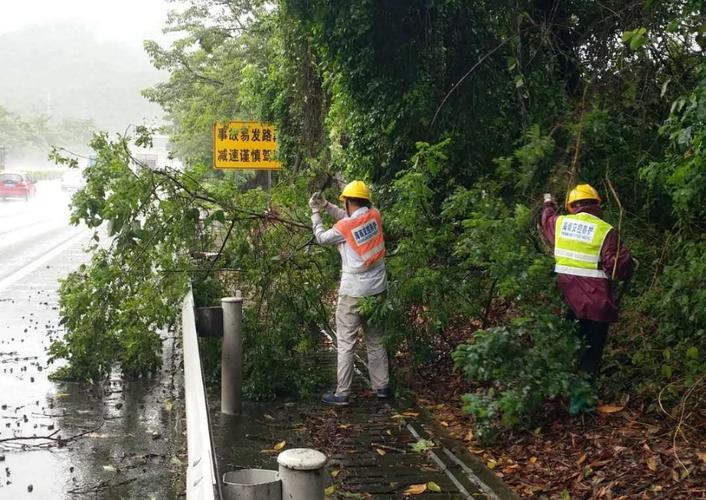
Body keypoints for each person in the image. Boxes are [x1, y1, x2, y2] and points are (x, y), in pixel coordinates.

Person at [541, 184, 633, 392]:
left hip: (566, 301)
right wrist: (627, 259)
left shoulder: (560, 223)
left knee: (569, 347)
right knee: (591, 353)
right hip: (596, 305)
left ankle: (561, 391)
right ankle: (581, 402)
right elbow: (617, 267)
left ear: (571, 206)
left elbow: (546, 218)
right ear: (597, 205)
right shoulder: (606, 230)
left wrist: (548, 201)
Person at [309, 180, 391, 406]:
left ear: (347, 202)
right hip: (377, 289)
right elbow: (349, 220)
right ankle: (382, 386)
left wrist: (316, 213)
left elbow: (322, 238)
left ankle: (342, 393)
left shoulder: (344, 228)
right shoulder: (375, 215)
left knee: (346, 342)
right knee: (376, 339)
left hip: (353, 292)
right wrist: (327, 205)